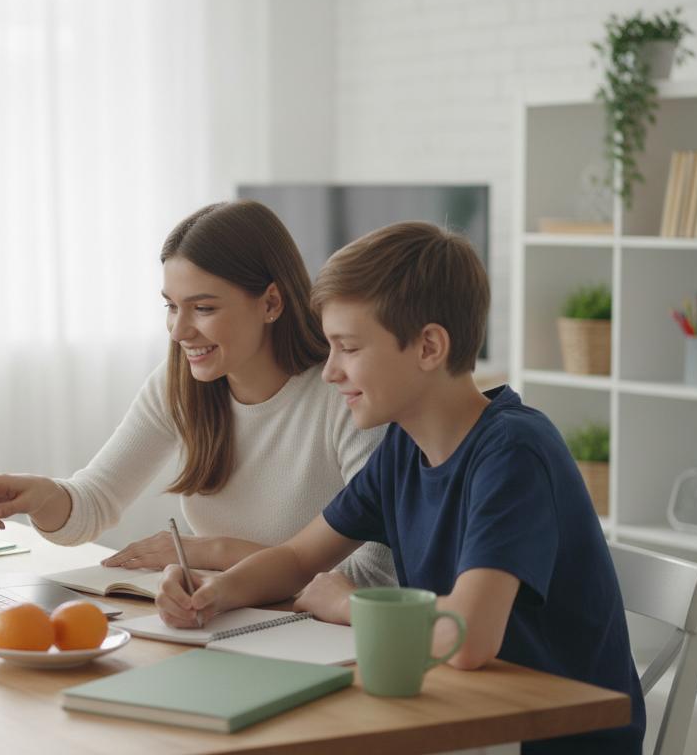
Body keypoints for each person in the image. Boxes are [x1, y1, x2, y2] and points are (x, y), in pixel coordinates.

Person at [155, 222, 644, 753]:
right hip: (460, 716)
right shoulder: (403, 449)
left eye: (348, 348)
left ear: (429, 346)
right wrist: (214, 592)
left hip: (543, 737)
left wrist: (350, 605)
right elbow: (299, 558)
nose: (330, 372)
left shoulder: (513, 454)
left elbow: (467, 638)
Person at [0, 200, 395, 586]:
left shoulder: (347, 394)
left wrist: (213, 553)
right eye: (170, 306)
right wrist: (42, 496)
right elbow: (94, 502)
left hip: (315, 633)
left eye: (203, 308)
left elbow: (375, 575)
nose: (179, 331)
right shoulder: (178, 385)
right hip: (219, 613)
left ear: (271, 303)